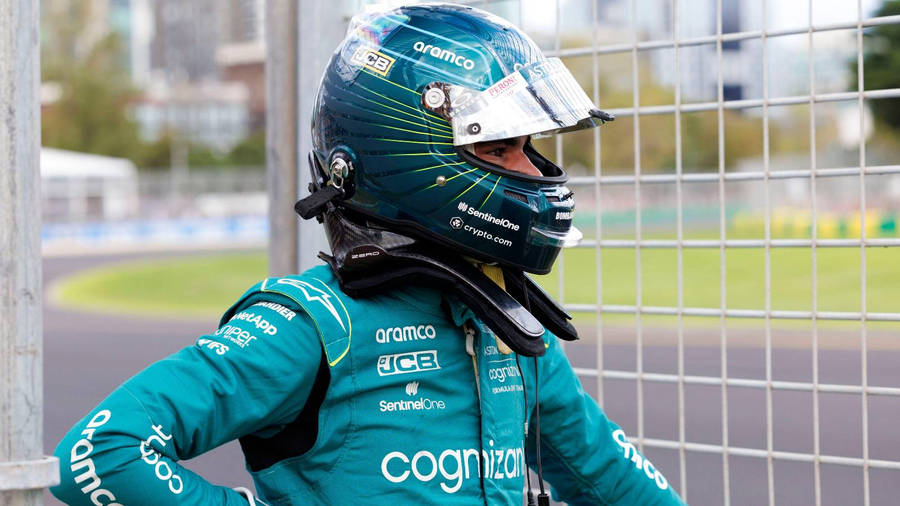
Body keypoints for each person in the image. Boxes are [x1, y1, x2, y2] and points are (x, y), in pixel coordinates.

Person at [51, 4, 685, 505]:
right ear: (401, 156)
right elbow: (99, 453)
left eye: (528, 146)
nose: (534, 172)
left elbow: (612, 481)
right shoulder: (311, 327)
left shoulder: (510, 326)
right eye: (498, 149)